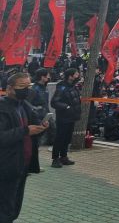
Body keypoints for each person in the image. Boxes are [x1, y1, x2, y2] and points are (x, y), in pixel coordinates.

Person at [0, 72, 49, 223]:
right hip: (6, 166)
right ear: (9, 88)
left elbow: (32, 129)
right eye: (22, 87)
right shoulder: (3, 108)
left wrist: (41, 128)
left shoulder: (25, 105)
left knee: (15, 206)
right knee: (5, 208)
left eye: (28, 86)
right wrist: (26, 131)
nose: (26, 90)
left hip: (22, 164)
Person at [50, 67, 81, 168]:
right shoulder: (62, 87)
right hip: (63, 117)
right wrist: (66, 107)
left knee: (67, 138)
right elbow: (54, 102)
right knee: (60, 138)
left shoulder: (73, 86)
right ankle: (55, 159)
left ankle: (64, 156)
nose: (78, 76)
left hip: (72, 117)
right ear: (70, 76)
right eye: (76, 74)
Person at [27, 68, 50, 173]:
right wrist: (37, 110)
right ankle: (30, 166)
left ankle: (34, 165)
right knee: (33, 144)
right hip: (35, 119)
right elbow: (28, 104)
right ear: (42, 77)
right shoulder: (34, 89)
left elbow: (45, 103)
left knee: (37, 144)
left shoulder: (44, 88)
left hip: (43, 118)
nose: (49, 77)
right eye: (47, 76)